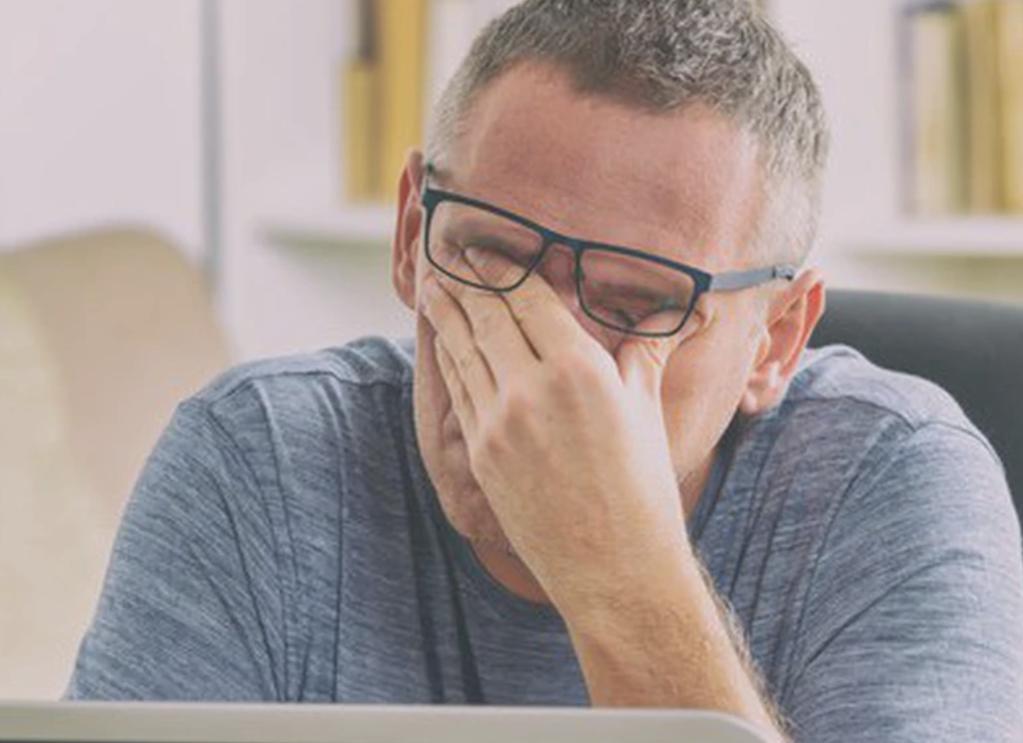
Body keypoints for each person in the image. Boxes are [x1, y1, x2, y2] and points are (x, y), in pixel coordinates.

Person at [66, 1, 1023, 740]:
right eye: (488, 256)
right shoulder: (256, 460)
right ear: (409, 236)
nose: (544, 363)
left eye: (635, 302)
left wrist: (616, 568)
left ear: (773, 340)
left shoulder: (896, 483)